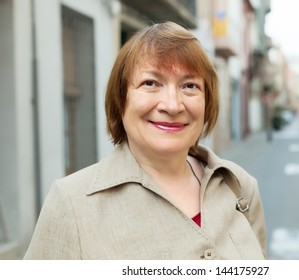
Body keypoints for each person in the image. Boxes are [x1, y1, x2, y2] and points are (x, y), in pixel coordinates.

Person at [24, 21, 267, 260]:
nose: (172, 105)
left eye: (190, 85)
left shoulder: (239, 187)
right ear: (121, 100)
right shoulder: (71, 204)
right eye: (150, 83)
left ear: (207, 102)